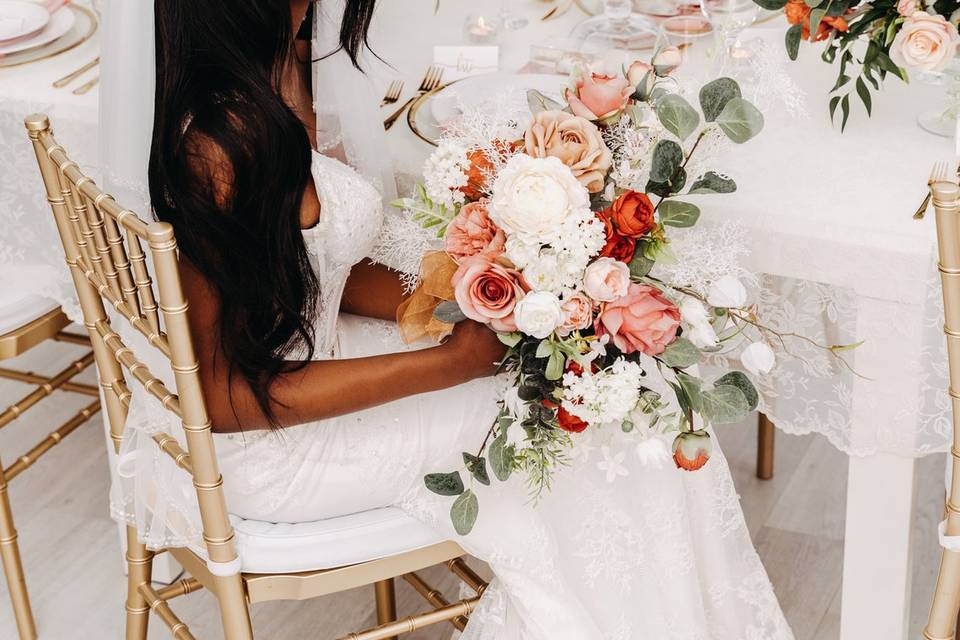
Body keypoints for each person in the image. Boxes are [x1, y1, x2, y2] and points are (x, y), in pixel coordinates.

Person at [112, 1, 795, 637]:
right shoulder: (219, 144)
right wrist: (447, 364)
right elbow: (224, 398)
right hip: (272, 446)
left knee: (598, 377)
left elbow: (311, 265)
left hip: (306, 362)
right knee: (595, 412)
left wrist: (463, 295)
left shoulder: (282, 62)